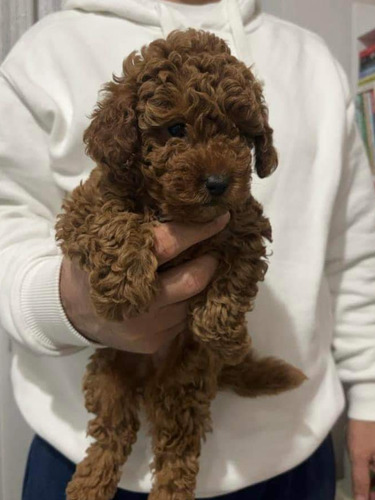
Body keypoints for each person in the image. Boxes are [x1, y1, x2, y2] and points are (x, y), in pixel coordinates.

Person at [1, 0, 375, 499]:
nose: (217, 166)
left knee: (188, 385)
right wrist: (65, 305)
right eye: (176, 130)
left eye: (237, 135)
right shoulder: (45, 51)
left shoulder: (315, 63)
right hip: (67, 440)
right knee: (112, 395)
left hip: (295, 449)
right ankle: (106, 455)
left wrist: (370, 394)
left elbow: (354, 252)